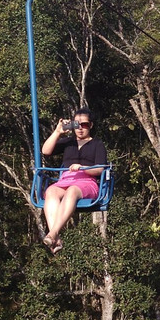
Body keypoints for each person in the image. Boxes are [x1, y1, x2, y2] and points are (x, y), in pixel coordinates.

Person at [40, 107, 107, 254]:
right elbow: (45, 151)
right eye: (77, 125)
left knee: (72, 191)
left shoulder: (97, 144)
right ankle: (55, 238)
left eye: (85, 125)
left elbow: (100, 170)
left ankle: (53, 233)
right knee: (50, 191)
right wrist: (58, 132)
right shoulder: (68, 142)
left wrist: (83, 168)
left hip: (86, 182)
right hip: (65, 180)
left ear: (91, 126)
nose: (81, 129)